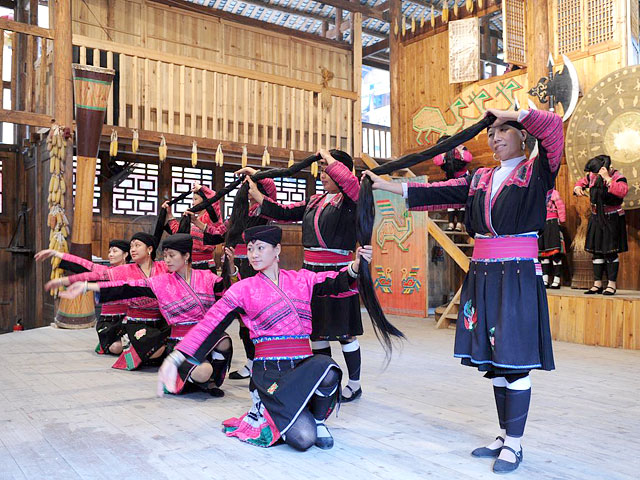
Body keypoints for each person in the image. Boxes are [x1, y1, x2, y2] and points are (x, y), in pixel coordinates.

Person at [364, 108, 563, 474]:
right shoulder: (480, 178)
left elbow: (552, 129)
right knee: (496, 361)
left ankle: (516, 445)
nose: (496, 137)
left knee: (515, 361)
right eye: (492, 132)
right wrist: (383, 184)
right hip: (484, 274)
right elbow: (434, 192)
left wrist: (512, 110)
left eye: (505, 130)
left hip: (516, 274)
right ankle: (505, 436)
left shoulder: (537, 171)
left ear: (524, 137)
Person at [157, 225, 372, 450]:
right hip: (270, 373)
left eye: (260, 248)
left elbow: (336, 281)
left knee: (328, 369)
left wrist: (357, 265)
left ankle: (318, 420)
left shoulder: (302, 280)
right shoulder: (242, 289)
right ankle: (283, 414)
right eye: (250, 249)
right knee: (304, 439)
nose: (254, 254)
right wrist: (177, 357)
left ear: (277, 250)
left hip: (301, 366)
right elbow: (210, 323)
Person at [242, 149, 364, 402]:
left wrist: (330, 159)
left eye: (328, 169)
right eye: (321, 169)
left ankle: (355, 383)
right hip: (310, 273)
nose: (323, 174)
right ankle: (328, 379)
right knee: (316, 331)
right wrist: (259, 183)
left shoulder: (353, 199)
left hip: (340, 271)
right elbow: (283, 211)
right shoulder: (314, 201)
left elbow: (351, 184)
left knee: (344, 333)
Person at [59, 234, 235, 396]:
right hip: (179, 340)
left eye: (172, 255)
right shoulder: (162, 281)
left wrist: (232, 268)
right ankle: (183, 376)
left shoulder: (207, 277)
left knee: (224, 340)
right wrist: (87, 286)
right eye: (165, 255)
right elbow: (127, 287)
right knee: (202, 371)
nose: (167, 260)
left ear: (186, 256)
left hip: (200, 335)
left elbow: (229, 293)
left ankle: (209, 381)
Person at [45, 232, 169, 370]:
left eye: (137, 245)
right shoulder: (122, 271)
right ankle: (130, 347)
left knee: (171, 345)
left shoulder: (163, 267)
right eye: (131, 246)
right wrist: (65, 276)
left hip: (154, 319)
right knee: (119, 347)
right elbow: (89, 270)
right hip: (122, 321)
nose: (110, 254)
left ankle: (138, 349)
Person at [202, 175, 278, 380]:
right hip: (234, 265)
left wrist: (253, 175)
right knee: (242, 319)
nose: (250, 193)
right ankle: (251, 361)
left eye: (253, 188)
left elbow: (270, 189)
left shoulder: (264, 210)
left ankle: (261, 360)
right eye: (248, 189)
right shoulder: (239, 213)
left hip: (254, 267)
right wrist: (196, 223)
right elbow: (218, 233)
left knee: (254, 317)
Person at [35, 239, 130, 355]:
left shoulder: (132, 271)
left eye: (115, 251)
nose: (110, 254)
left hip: (127, 319)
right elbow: (83, 263)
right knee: (115, 348)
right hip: (108, 321)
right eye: (109, 251)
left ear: (125, 254)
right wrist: (55, 253)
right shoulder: (104, 270)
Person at [574, 155, 628, 296]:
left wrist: (607, 179)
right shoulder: (592, 175)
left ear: (606, 168)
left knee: (610, 251)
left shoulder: (618, 177)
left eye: (598, 172)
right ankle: (597, 284)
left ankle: (611, 284)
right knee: (596, 251)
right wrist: (578, 186)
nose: (594, 175)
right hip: (596, 217)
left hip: (611, 218)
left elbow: (622, 191)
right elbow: (582, 180)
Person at [161, 183, 223, 270]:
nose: (193, 203)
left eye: (196, 199)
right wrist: (169, 213)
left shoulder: (211, 217)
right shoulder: (192, 218)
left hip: (205, 265)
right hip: (188, 264)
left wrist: (202, 189)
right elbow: (178, 232)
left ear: (205, 200)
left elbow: (215, 199)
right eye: (192, 200)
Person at [433, 136, 473, 231]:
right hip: (450, 178)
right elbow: (437, 161)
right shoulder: (443, 152)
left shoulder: (461, 148)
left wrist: (460, 150)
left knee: (461, 201)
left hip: (463, 178)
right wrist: (443, 152)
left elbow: (468, 158)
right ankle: (450, 224)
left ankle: (459, 224)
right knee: (450, 201)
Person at [538, 189, 566, 288]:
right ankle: (545, 278)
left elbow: (560, 206)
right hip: (540, 223)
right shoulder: (538, 192)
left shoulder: (554, 193)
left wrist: (561, 220)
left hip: (552, 222)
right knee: (543, 253)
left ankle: (557, 279)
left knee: (555, 252)